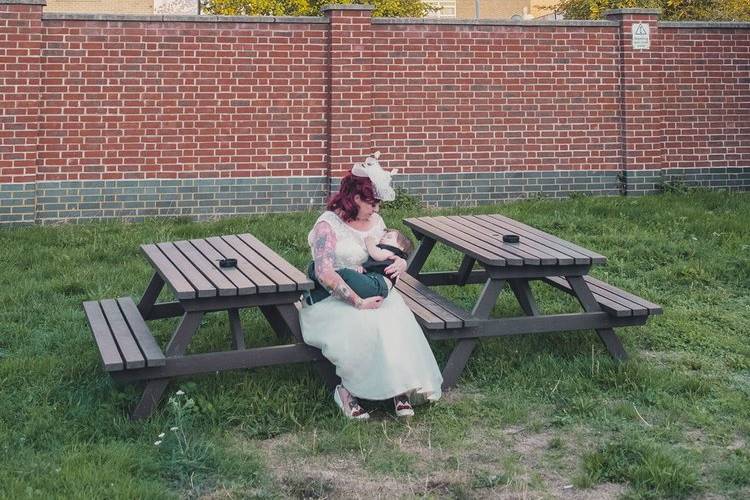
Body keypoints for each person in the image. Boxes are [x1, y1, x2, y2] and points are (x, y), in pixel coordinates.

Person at [299, 152, 443, 419]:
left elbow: (387, 252)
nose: (376, 210)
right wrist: (358, 302)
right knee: (363, 324)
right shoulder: (327, 226)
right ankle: (347, 392)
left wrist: (401, 264)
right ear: (354, 198)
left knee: (395, 317)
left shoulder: (376, 222)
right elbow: (323, 272)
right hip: (333, 297)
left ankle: (399, 388)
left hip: (373, 288)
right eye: (372, 203)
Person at [303, 228, 413, 305]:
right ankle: (315, 295)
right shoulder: (385, 250)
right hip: (372, 280)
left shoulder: (391, 251)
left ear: (401, 248)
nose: (383, 238)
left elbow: (377, 255)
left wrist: (369, 242)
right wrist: (363, 268)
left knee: (346, 275)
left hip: (378, 285)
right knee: (346, 281)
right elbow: (375, 263)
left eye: (388, 237)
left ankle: (319, 274)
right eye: (384, 236)